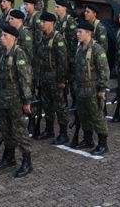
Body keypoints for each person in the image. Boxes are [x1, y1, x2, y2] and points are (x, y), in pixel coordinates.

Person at [0, 25, 34, 178]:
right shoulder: (5, 53)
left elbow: (25, 78)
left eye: (4, 35)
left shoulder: (19, 54)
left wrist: (27, 101)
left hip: (16, 99)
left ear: (12, 37)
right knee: (6, 129)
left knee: (20, 131)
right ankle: (9, 156)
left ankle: (27, 161)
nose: (1, 38)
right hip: (5, 98)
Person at [72, 22, 110, 155]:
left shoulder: (97, 49)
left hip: (92, 89)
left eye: (80, 32)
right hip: (81, 88)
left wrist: (102, 90)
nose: (77, 34)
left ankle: (103, 144)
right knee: (83, 116)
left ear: (89, 33)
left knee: (97, 116)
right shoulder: (79, 47)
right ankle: (88, 140)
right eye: (77, 32)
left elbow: (104, 71)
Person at [35, 12, 68, 143]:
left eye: (44, 22)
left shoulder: (58, 39)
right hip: (44, 77)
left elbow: (62, 62)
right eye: (41, 22)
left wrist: (61, 80)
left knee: (60, 106)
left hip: (55, 78)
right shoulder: (42, 37)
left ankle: (64, 133)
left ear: (52, 23)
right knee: (47, 105)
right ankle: (49, 130)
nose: (41, 24)